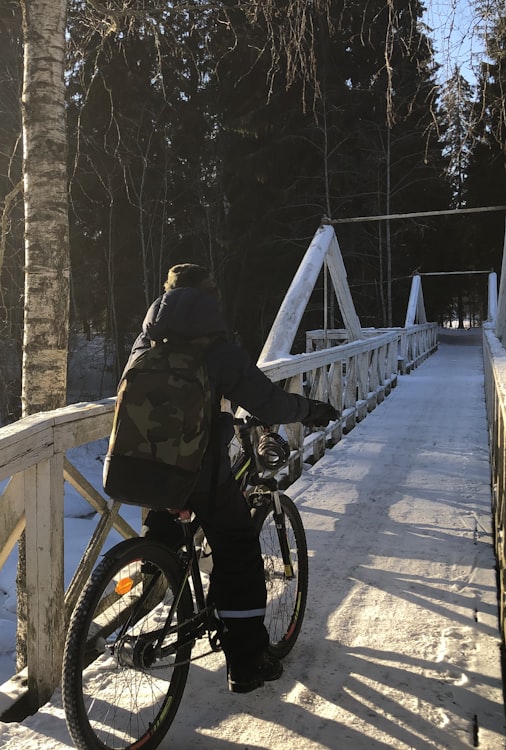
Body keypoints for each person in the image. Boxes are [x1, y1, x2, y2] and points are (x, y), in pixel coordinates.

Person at [124, 263, 338, 693]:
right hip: (198, 471)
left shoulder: (147, 338)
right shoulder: (214, 344)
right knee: (238, 548)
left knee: (167, 520)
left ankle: (149, 569)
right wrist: (311, 410)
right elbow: (269, 402)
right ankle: (245, 662)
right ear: (209, 298)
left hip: (137, 465)